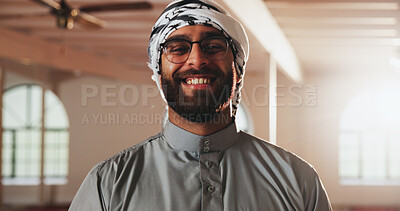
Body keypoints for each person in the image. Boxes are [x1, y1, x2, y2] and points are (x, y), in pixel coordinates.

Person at [69, 0, 332, 210]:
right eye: (178, 48)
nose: (197, 59)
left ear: (237, 71)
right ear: (158, 75)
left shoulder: (298, 180)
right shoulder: (108, 182)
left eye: (214, 46)